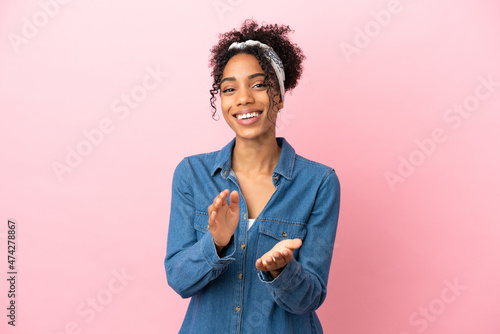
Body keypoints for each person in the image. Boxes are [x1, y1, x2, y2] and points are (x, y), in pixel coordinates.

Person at [164, 19, 341, 333]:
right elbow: (179, 280)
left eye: (258, 84)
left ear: (281, 95)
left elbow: (310, 297)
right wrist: (216, 242)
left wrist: (283, 271)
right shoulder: (193, 174)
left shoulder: (318, 182)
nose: (243, 98)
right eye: (230, 89)